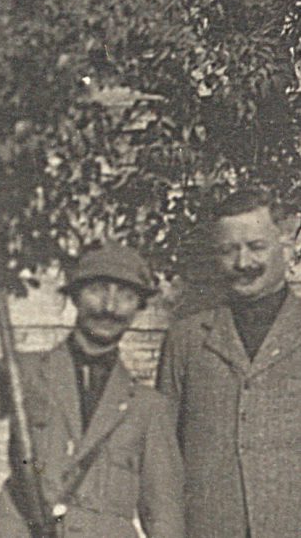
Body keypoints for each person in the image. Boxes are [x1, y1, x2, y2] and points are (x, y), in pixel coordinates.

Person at [0, 244, 184, 538]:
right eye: (97, 290)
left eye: (126, 296)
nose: (109, 307)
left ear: (139, 307)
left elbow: (164, 514)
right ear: (74, 296)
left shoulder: (147, 407)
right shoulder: (29, 372)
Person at [156, 188, 301, 538]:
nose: (243, 262)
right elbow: (162, 457)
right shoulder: (185, 339)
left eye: (256, 246)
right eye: (228, 250)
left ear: (286, 245)